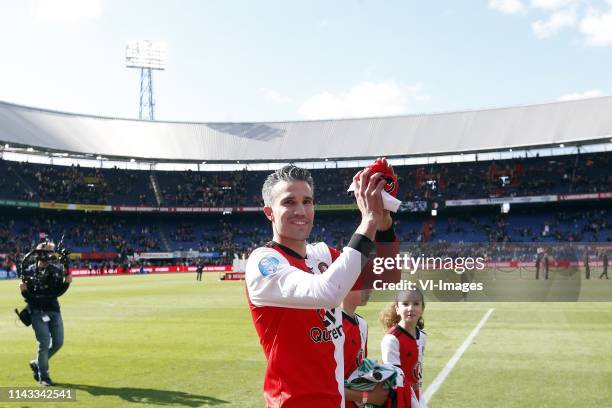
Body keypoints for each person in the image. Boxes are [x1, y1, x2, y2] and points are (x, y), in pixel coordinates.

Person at [245, 162, 394, 407]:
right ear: (269, 212)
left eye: (307, 201)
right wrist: (369, 220)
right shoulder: (263, 262)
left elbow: (384, 276)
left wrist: (385, 224)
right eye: (289, 202)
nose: (301, 210)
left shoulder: (322, 254)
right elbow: (327, 292)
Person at [19, 241, 72, 386]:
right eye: (47, 251)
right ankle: (44, 376)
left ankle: (37, 363)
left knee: (58, 342)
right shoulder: (28, 270)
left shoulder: (55, 269)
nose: (49, 254)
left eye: (51, 251)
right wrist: (24, 291)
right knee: (44, 343)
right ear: (38, 253)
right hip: (36, 311)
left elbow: (60, 288)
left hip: (53, 309)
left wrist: (68, 275)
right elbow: (27, 293)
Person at [380, 289, 428, 408]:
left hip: (414, 396)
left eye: (416, 304)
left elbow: (416, 373)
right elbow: (395, 380)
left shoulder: (422, 336)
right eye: (405, 304)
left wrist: (419, 399)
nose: (411, 308)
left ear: (422, 308)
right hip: (398, 399)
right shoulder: (391, 339)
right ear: (397, 308)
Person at [341, 289, 389, 407]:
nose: (370, 289)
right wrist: (368, 397)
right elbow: (324, 384)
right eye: (363, 283)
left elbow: (359, 369)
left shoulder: (362, 324)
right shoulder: (329, 325)